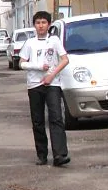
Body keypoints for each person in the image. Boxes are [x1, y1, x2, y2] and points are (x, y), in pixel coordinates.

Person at [19, 10, 71, 167]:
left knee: (56, 118)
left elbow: (65, 60)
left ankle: (59, 154)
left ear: (49, 25)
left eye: (43, 22)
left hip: (52, 84)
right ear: (34, 25)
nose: (41, 26)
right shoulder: (30, 43)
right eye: (38, 23)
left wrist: (51, 75)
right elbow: (22, 63)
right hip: (34, 85)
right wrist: (38, 66)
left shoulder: (54, 40)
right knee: (38, 120)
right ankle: (41, 155)